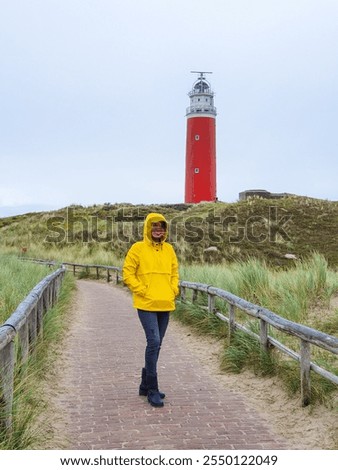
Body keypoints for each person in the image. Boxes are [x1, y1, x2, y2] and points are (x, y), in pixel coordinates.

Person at [122, 212, 179, 407]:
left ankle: (144, 384)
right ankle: (152, 389)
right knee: (153, 341)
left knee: (158, 344)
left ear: (165, 229)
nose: (158, 230)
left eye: (161, 227)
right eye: (154, 226)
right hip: (146, 304)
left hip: (165, 303)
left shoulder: (169, 249)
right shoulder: (137, 248)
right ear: (148, 228)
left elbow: (174, 273)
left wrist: (174, 289)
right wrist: (142, 290)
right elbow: (127, 273)